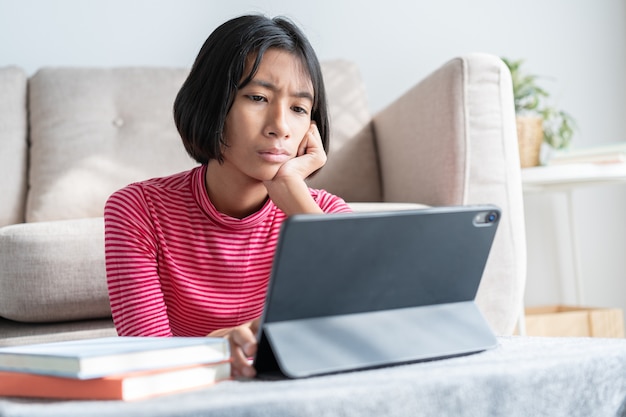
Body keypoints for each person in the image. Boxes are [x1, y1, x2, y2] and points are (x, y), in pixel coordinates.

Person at [103, 14, 351, 378]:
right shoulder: (138, 210)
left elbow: (365, 334)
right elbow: (144, 358)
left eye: (299, 108)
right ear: (213, 102)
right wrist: (219, 348)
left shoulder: (323, 212)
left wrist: (301, 210)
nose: (280, 126)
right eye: (257, 97)